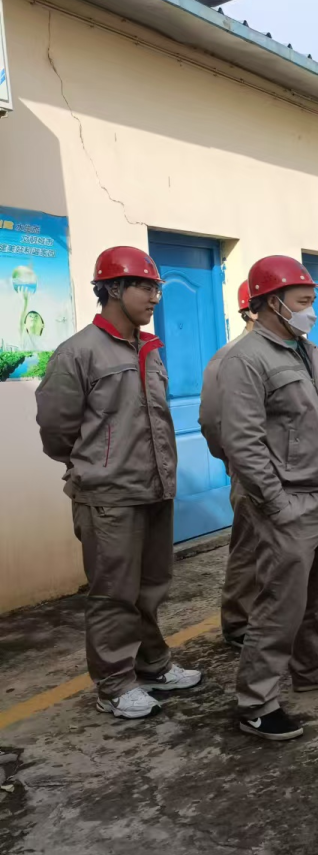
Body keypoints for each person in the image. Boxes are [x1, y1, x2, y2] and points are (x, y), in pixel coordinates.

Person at [35, 246, 201, 720]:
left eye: (157, 288)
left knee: (151, 587)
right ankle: (113, 685)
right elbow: (56, 430)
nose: (154, 297)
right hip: (109, 495)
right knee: (113, 594)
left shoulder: (149, 348)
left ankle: (153, 664)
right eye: (145, 287)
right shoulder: (79, 352)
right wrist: (97, 465)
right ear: (113, 289)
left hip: (155, 488)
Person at [219, 255, 318, 742]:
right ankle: (257, 702)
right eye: (303, 302)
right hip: (290, 501)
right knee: (280, 603)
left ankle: (313, 667)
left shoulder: (306, 350)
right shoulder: (246, 359)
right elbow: (242, 441)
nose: (312, 312)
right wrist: (275, 503)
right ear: (272, 303)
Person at [199, 280, 260, 650]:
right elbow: (211, 421)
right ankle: (238, 623)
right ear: (250, 310)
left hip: (297, 471)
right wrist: (235, 461)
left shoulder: (298, 352)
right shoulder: (228, 359)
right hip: (252, 470)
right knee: (250, 547)